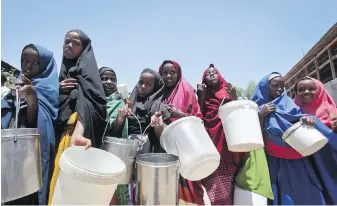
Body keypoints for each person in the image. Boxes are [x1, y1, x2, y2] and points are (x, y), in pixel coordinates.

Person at [48, 29, 107, 205]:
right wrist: (56, 89)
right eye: (67, 41)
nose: (70, 45)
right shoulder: (59, 78)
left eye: (76, 43)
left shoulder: (87, 77)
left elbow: (92, 104)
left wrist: (78, 132)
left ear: (84, 48)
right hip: (58, 140)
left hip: (76, 141)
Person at [252, 72, 325, 205]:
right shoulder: (255, 107)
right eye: (275, 86)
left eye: (282, 86)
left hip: (297, 159)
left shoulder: (289, 103)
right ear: (265, 87)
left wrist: (305, 119)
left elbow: (298, 118)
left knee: (306, 195)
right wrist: (261, 115)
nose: (279, 89)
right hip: (275, 160)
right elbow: (253, 134)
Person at [1, 44, 59, 205]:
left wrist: (32, 96)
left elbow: (38, 123)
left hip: (31, 156)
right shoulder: (17, 84)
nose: (28, 65)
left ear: (45, 66)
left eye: (35, 62)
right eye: (25, 61)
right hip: (10, 153)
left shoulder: (49, 89)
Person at [197, 64, 247, 205]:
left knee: (226, 187)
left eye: (214, 72)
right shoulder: (203, 94)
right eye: (208, 73)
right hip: (210, 146)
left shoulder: (228, 92)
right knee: (211, 187)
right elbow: (199, 116)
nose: (212, 74)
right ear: (204, 79)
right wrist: (201, 97)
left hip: (227, 147)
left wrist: (234, 97)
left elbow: (239, 116)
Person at [158, 60, 204, 205]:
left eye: (173, 72)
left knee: (187, 188)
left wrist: (179, 114)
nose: (168, 76)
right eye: (165, 73)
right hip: (162, 146)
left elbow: (199, 120)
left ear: (178, 74)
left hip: (184, 147)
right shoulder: (157, 92)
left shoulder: (187, 91)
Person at [294, 76, 337, 204]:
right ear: (296, 93)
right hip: (306, 166)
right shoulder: (292, 112)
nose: (306, 92)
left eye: (312, 88)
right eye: (301, 89)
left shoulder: (332, 113)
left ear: (319, 91)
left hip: (331, 163)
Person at [112, 68, 169, 153]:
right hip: (127, 151)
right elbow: (115, 133)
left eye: (148, 84)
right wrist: (120, 119)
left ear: (155, 87)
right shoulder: (129, 104)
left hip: (150, 155)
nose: (142, 86)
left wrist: (158, 126)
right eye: (141, 82)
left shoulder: (160, 109)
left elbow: (165, 140)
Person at [99, 67, 129, 205]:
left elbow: (116, 134)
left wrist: (120, 119)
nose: (109, 82)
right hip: (94, 152)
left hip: (113, 154)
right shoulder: (92, 100)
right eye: (104, 78)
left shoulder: (119, 102)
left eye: (112, 79)